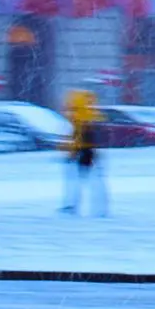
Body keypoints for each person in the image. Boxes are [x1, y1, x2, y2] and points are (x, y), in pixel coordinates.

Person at [59, 86, 108, 216]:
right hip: (89, 152)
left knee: (77, 181)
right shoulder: (89, 117)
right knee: (94, 181)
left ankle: (73, 206)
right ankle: (101, 208)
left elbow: (79, 139)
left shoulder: (81, 120)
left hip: (84, 153)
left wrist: (72, 152)